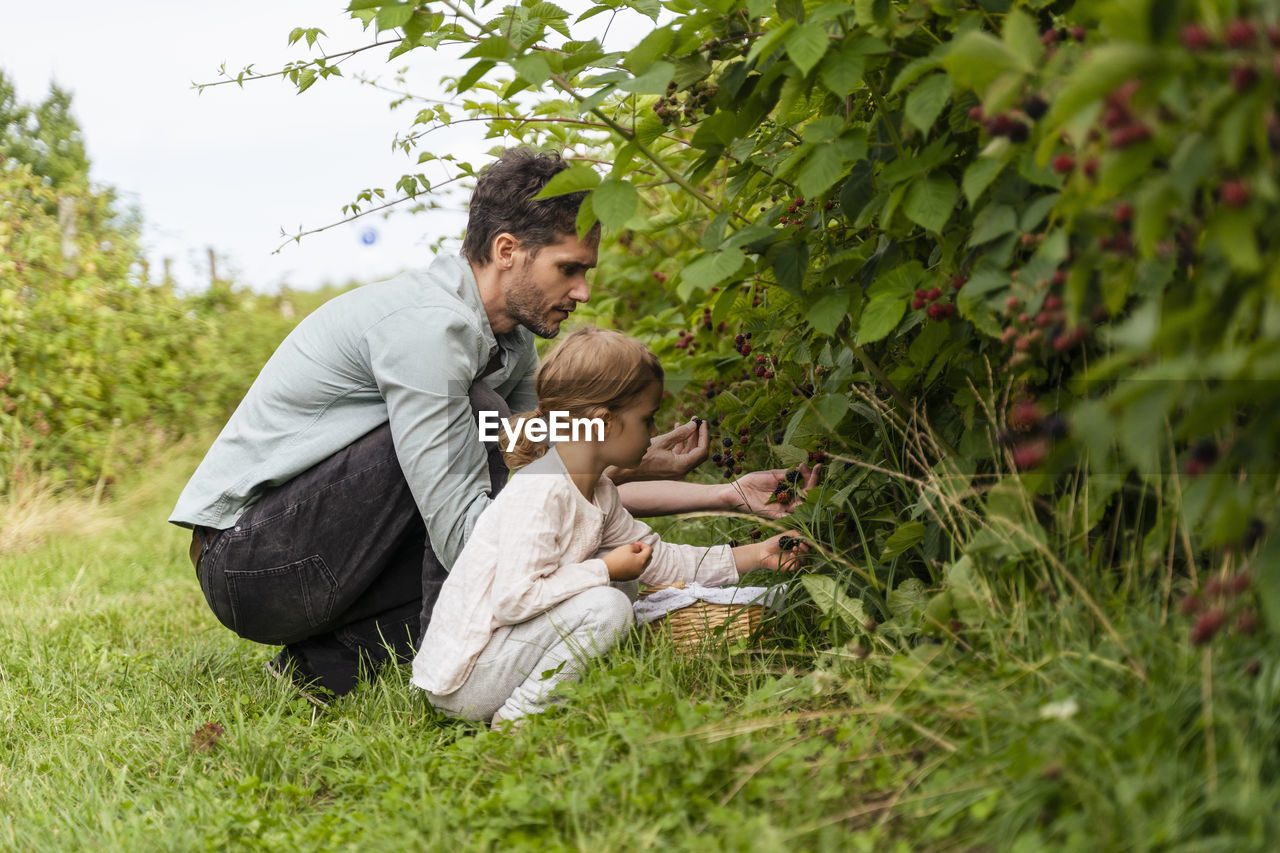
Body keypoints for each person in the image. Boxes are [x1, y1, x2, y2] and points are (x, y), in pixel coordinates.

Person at [169, 147, 819, 703]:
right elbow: (474, 537)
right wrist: (600, 574)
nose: (584, 290)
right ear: (507, 250)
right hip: (249, 564)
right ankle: (456, 672)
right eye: (570, 268)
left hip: (319, 555)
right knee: (484, 428)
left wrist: (715, 489)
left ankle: (324, 667)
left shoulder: (509, 343)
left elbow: (558, 475)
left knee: (495, 440)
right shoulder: (429, 332)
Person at [414, 328, 807, 727]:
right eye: (647, 419)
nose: (654, 433)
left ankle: (562, 686)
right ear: (602, 423)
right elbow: (513, 600)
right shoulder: (542, 491)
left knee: (622, 579)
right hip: (465, 681)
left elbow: (660, 559)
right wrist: (604, 570)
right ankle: (519, 721)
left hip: (502, 655)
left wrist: (757, 554)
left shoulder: (598, 491)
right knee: (608, 601)